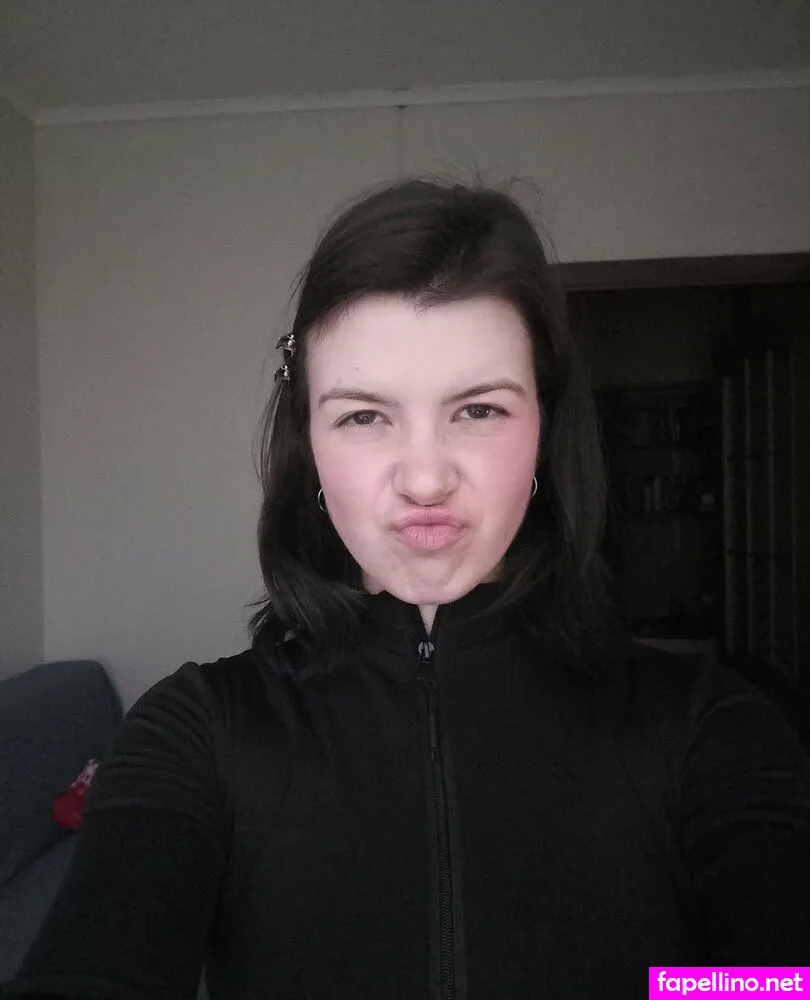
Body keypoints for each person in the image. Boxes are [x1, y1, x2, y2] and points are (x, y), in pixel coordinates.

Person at [7, 178, 810, 1000]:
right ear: (310, 448)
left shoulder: (708, 727)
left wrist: (674, 987)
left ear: (544, 429)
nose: (425, 479)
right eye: (364, 416)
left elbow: (776, 982)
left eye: (479, 411)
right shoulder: (196, 732)